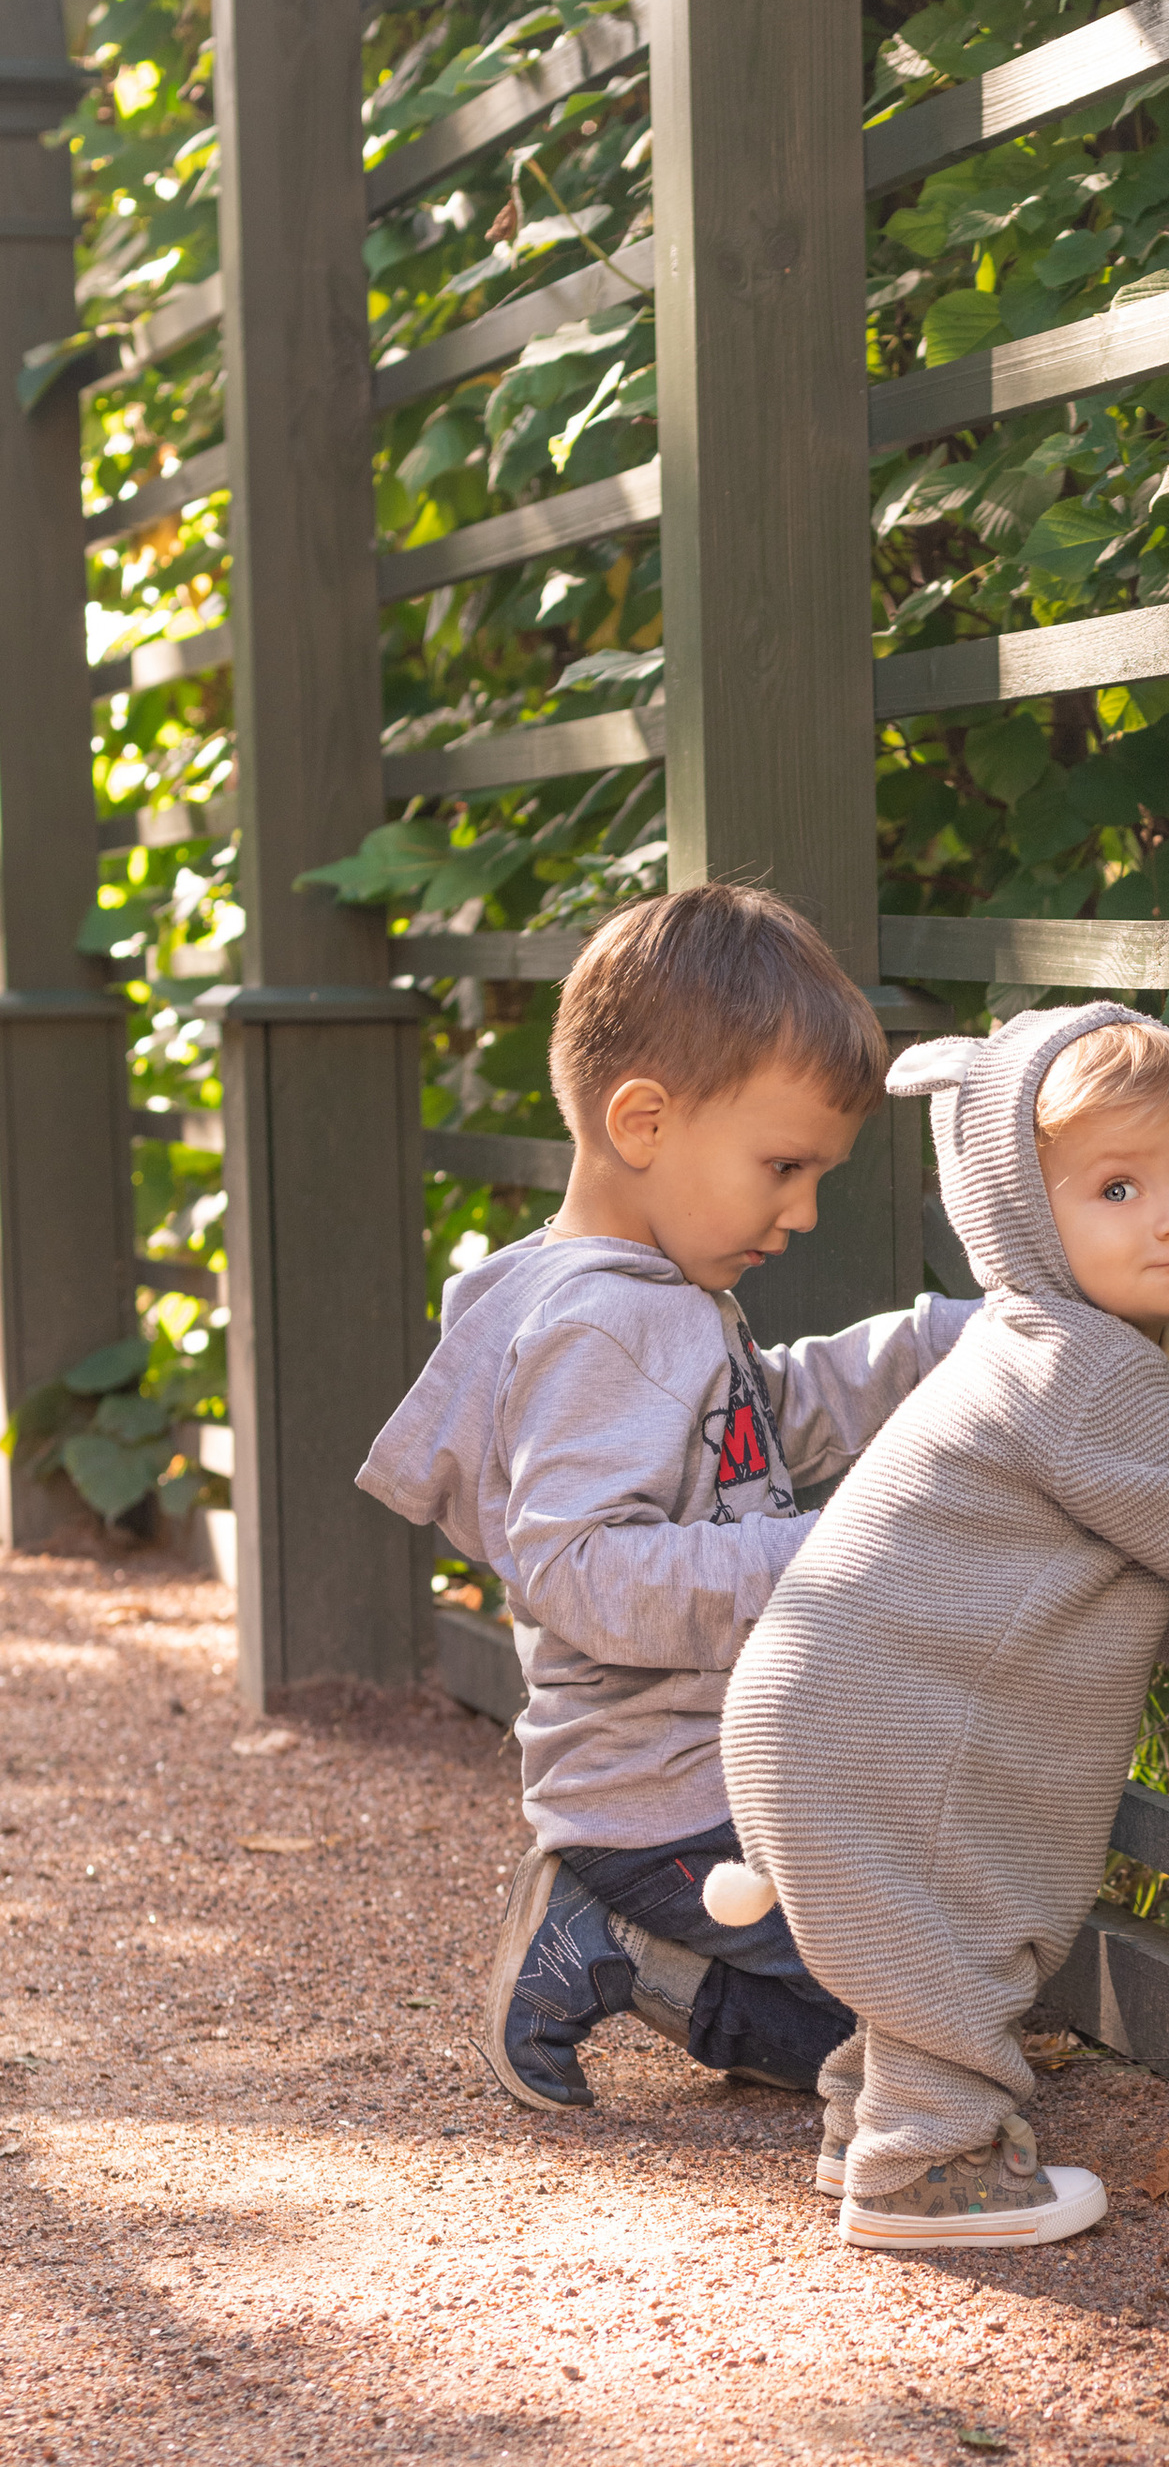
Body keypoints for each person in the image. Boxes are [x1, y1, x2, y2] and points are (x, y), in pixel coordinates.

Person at [705, 999, 1169, 2251]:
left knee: (911, 1934)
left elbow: (1043, 1564)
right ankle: (930, 2173)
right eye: (1116, 1187)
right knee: (955, 1925)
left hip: (831, 1712)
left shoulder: (1034, 1356)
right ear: (1017, 1211)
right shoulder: (1081, 1369)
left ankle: (871, 2132)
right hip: (876, 1724)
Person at [356, 882, 977, 2113]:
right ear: (642, 1119)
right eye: (783, 1168)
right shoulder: (607, 1323)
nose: (801, 1212)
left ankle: (630, 1956)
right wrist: (834, 1551)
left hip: (716, 1785)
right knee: (932, 2014)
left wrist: (934, 1344)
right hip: (664, 1806)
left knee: (893, 2024)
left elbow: (762, 1421)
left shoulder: (655, 1297)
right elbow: (580, 1573)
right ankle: (614, 1913)